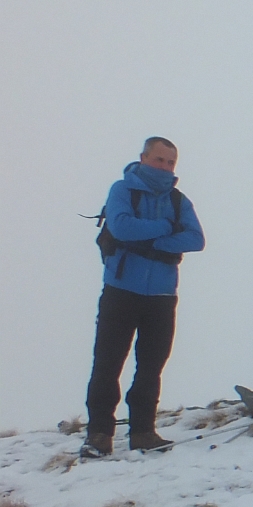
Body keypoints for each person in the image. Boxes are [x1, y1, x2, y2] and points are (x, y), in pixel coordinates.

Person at [81, 137, 206, 457]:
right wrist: (165, 228)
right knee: (108, 363)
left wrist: (151, 241)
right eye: (159, 160)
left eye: (171, 162)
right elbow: (121, 228)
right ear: (143, 158)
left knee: (151, 366)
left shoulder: (179, 200)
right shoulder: (122, 189)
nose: (165, 167)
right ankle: (98, 435)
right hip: (121, 290)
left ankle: (143, 432)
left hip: (162, 295)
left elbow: (195, 239)